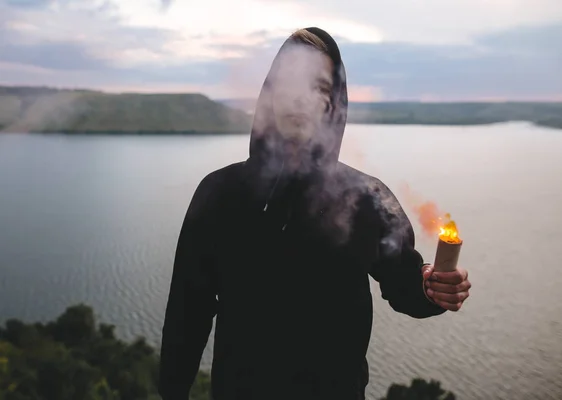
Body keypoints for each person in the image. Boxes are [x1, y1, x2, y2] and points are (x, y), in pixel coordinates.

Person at [159, 27, 471, 400]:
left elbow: (405, 284)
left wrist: (432, 287)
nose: (300, 97)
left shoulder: (366, 198)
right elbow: (187, 312)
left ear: (333, 104)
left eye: (319, 87)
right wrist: (172, 391)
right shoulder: (220, 194)